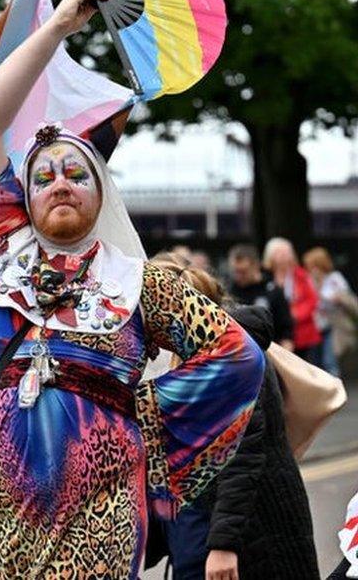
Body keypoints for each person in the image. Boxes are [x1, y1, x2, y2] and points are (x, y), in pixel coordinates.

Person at [0, 0, 264, 578]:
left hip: (101, 521)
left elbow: (236, 357)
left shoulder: (139, 283)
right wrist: (56, 30)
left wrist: (145, 424)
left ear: (99, 193)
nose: (60, 182)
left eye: (77, 174)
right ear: (21, 197)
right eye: (44, 175)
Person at [145, 253, 319, 580]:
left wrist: (223, 545)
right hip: (208, 528)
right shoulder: (187, 354)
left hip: (249, 534)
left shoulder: (231, 353)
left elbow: (242, 455)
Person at [264, 237, 323, 366]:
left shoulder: (301, 275)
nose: (284, 257)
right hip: (276, 333)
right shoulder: (266, 278)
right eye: (280, 253)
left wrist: (293, 315)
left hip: (302, 333)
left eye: (287, 253)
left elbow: (312, 300)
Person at [228, 243, 295, 350]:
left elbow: (286, 331)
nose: (238, 276)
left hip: (271, 352)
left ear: (256, 266)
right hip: (238, 353)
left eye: (243, 272)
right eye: (236, 271)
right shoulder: (229, 292)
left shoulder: (272, 291)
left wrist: (286, 357)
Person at [304, 247, 357, 378]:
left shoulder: (335, 278)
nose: (312, 269)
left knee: (330, 361)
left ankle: (336, 391)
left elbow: (346, 297)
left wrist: (338, 298)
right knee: (315, 361)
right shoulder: (308, 280)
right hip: (315, 326)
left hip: (333, 324)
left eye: (314, 265)